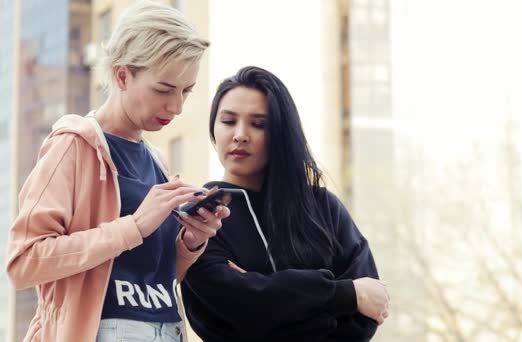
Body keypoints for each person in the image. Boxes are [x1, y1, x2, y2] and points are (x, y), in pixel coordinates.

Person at [5, 1, 229, 341]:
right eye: (164, 89)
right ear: (123, 75)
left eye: (186, 91)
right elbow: (24, 263)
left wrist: (191, 241)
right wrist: (134, 226)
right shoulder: (73, 146)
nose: (177, 106)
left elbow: (156, 280)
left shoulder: (156, 161)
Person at [181, 66, 390, 342]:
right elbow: (235, 310)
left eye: (259, 124)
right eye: (229, 121)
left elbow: (368, 312)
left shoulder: (323, 207)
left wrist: (268, 295)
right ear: (214, 127)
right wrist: (345, 294)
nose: (240, 134)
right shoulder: (201, 217)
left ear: (280, 131)